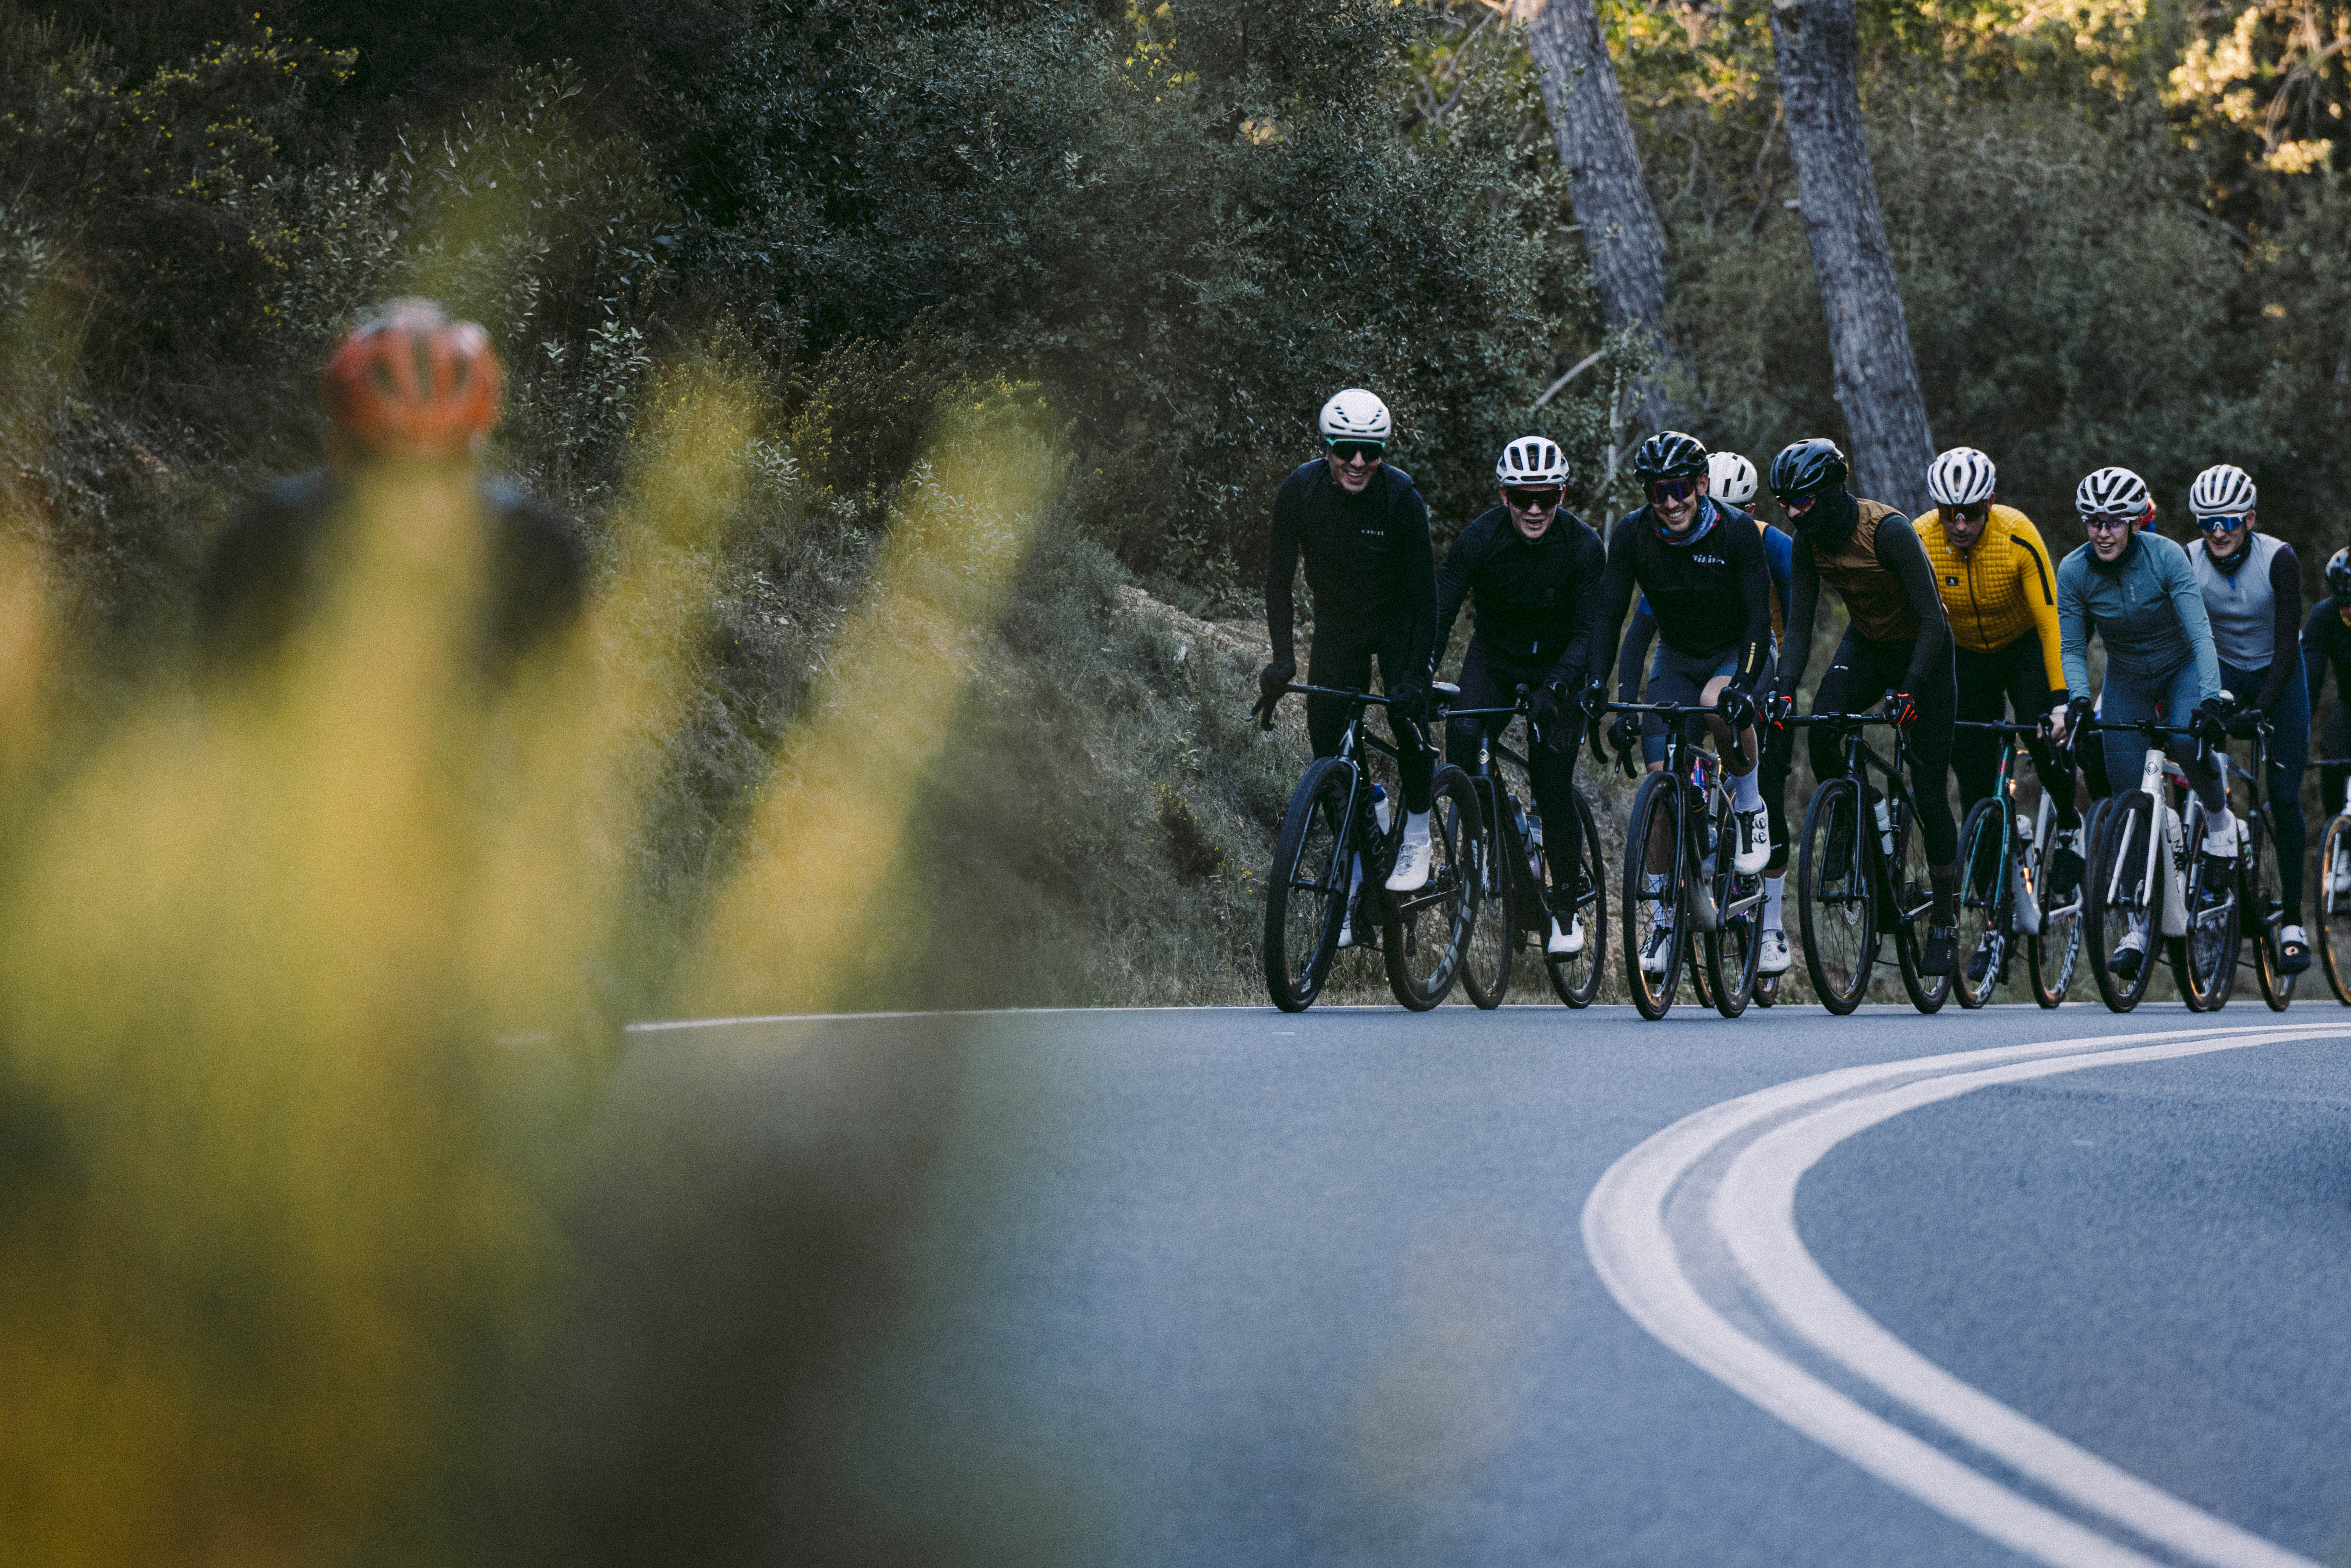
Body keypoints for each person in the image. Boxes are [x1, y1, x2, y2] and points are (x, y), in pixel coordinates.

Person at [200, 298, 588, 671]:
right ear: (340, 455)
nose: (420, 499)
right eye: (388, 469)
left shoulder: (535, 559)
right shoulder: (268, 549)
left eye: (444, 470)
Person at [1766, 437, 1962, 976]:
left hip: (1923, 650)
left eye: (1801, 501)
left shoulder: (1887, 531)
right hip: (1868, 646)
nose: (1792, 513)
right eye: (1784, 503)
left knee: (1928, 790)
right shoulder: (1806, 542)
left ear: (1832, 491)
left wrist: (1910, 688)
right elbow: (1799, 627)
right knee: (1822, 731)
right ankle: (1856, 813)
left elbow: (1933, 619)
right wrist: (1784, 687)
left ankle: (1944, 920)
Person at [1586, 431, 1776, 980]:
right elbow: (1611, 617)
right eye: (1657, 491)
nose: (1670, 502)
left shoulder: (1736, 531)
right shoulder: (1633, 533)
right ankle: (1667, 918)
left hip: (1737, 650)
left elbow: (1759, 620)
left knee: (1717, 703)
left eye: (1679, 489)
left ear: (1700, 485)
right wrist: (1609, 692)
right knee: (1659, 781)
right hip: (1677, 658)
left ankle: (1748, 806)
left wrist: (1745, 683)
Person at [1254, 389, 1440, 939]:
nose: (1358, 462)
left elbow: (1427, 599)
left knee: (1407, 718)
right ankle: (1361, 865)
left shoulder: (1401, 497)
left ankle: (1417, 831)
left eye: (1371, 451)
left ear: (1382, 452)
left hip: (1397, 619)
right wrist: (1282, 657)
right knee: (1326, 742)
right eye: (1345, 449)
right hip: (1339, 622)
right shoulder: (1300, 490)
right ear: (1326, 447)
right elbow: (1277, 580)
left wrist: (1416, 676)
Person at [2057, 465, 2235, 982]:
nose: (2102, 533)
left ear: (2135, 522)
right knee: (2127, 795)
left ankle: (2219, 823)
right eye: (2093, 522)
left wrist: (2208, 699)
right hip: (2127, 677)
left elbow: (2200, 634)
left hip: (2180, 668)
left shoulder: (2166, 556)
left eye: (2113, 522)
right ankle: (2138, 925)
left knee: (2183, 737)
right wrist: (2077, 699)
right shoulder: (2073, 571)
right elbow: (2072, 647)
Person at [1914, 446, 2084, 979]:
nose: (1960, 524)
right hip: (1965, 656)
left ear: (1989, 502)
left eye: (1970, 512)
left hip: (2021, 649)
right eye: (1948, 513)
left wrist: (2060, 701)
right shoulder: (1921, 538)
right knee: (1974, 787)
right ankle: (1996, 921)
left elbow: (2051, 621)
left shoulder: (2017, 534)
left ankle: (2070, 823)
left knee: (2042, 735)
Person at [1434, 436, 1607, 955]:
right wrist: (1418, 671)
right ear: (1503, 495)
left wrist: (1557, 687)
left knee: (1551, 784)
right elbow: (1441, 608)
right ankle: (1491, 847)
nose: (1534, 510)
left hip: (1559, 664)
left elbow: (1590, 631)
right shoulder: (1479, 538)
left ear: (1562, 495)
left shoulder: (1582, 545)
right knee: (1462, 739)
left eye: (1546, 498)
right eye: (1522, 498)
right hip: (1495, 655)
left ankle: (1565, 904)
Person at [2186, 462, 2311, 972]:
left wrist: (2259, 708)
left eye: (2228, 521)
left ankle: (2293, 921)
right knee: (2195, 757)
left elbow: (2286, 644)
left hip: (2278, 672)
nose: (2217, 532)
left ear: (2250, 519)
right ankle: (2218, 846)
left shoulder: (2278, 559)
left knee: (2282, 795)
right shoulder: (2188, 560)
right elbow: (2188, 636)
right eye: (2206, 522)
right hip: (2223, 669)